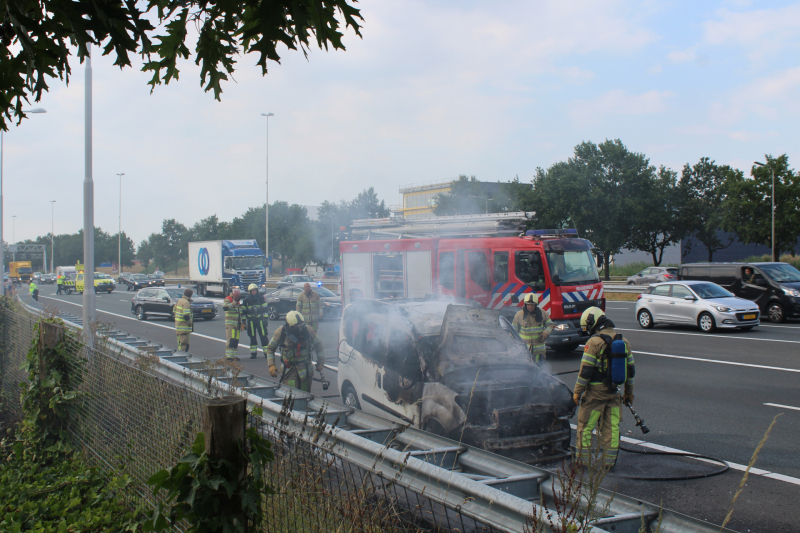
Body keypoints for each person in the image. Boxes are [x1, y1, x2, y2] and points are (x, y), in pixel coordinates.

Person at [573, 307, 635, 468]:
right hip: (614, 394)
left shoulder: (593, 342)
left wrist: (577, 392)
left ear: (592, 323)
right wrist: (629, 393)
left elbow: (585, 372)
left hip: (595, 395)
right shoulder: (624, 341)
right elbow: (631, 371)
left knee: (585, 427)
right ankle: (608, 463)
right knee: (611, 428)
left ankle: (583, 463)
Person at [266, 310, 324, 392]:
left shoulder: (308, 330)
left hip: (306, 371)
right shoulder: (281, 333)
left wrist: (321, 361)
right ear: (289, 326)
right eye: (297, 327)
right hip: (289, 372)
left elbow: (318, 345)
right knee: (291, 396)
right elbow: (270, 348)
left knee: (305, 395)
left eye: (301, 325)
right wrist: (271, 365)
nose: (300, 328)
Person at [512, 292, 553, 362]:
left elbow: (550, 325)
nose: (530, 307)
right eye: (528, 305)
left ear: (536, 305)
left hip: (539, 352)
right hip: (524, 352)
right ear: (525, 304)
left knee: (540, 368)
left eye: (532, 305)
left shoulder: (542, 313)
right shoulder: (519, 315)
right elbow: (513, 331)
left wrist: (545, 333)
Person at [242, 283, 269, 359]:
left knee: (263, 336)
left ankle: (266, 353)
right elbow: (244, 312)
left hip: (260, 320)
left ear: (257, 290)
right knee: (252, 337)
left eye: (255, 290)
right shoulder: (246, 300)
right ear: (250, 291)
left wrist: (265, 319)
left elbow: (265, 309)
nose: (254, 292)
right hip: (251, 321)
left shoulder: (261, 298)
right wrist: (244, 322)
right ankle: (253, 353)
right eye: (252, 290)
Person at [222, 288, 243, 361]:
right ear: (233, 294)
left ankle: (234, 355)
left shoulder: (238, 301)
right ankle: (229, 356)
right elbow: (225, 307)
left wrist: (242, 323)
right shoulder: (228, 299)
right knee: (230, 339)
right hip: (230, 324)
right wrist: (233, 303)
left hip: (237, 324)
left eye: (239, 296)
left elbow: (239, 313)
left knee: (236, 340)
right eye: (237, 296)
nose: (238, 297)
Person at [175, 288, 194, 352]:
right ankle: (181, 356)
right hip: (184, 328)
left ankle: (178, 355)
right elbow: (186, 315)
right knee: (184, 345)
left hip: (178, 326)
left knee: (180, 344)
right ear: (191, 295)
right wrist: (190, 323)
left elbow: (174, 310)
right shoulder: (186, 303)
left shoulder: (179, 301)